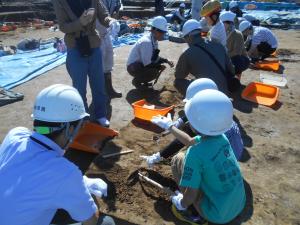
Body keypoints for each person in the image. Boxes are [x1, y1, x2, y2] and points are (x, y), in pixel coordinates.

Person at [0, 84, 115, 225]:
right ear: (70, 129)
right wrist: (82, 190)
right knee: (106, 222)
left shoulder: (15, 135)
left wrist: (81, 181)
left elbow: (29, 174)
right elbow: (91, 221)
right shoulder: (65, 173)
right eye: (80, 126)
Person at [151, 89, 246, 224]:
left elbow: (191, 194)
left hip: (216, 214)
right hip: (238, 204)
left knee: (177, 161)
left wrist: (181, 203)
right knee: (195, 165)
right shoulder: (222, 137)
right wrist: (170, 127)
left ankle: (195, 214)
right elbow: (189, 141)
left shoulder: (195, 154)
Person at [141, 78, 244, 168]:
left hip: (221, 164)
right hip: (232, 159)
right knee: (191, 130)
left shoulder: (209, 130)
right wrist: (176, 124)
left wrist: (171, 127)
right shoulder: (218, 113)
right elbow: (191, 114)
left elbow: (187, 140)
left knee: (184, 157)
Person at [52, 0, 114, 127]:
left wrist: (111, 21)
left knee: (98, 83)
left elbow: (104, 15)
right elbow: (63, 26)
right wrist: (80, 23)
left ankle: (101, 114)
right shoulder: (60, 2)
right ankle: (83, 116)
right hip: (75, 46)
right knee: (79, 87)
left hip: (93, 45)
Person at [174, 19, 235, 95]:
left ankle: (194, 100)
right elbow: (232, 70)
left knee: (178, 82)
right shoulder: (218, 45)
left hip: (206, 95)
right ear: (200, 33)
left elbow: (179, 75)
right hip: (224, 93)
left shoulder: (187, 53)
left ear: (188, 37)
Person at [127, 16, 174, 89]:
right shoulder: (146, 42)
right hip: (133, 67)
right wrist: (159, 67)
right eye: (162, 32)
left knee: (155, 65)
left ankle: (144, 82)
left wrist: (166, 60)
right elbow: (148, 64)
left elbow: (154, 57)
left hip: (139, 65)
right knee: (154, 72)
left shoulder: (154, 40)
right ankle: (137, 81)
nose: (163, 34)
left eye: (164, 32)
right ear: (155, 30)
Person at [97, 0, 122, 98]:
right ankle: (101, 92)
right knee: (99, 65)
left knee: (108, 62)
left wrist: (113, 21)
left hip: (106, 32)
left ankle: (109, 89)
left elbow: (114, 10)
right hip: (96, 34)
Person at [220, 11, 250, 78]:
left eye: (222, 23)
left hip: (241, 59)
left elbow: (237, 52)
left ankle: (236, 78)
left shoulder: (237, 34)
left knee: (236, 60)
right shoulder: (220, 33)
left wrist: (222, 57)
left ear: (229, 23)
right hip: (226, 57)